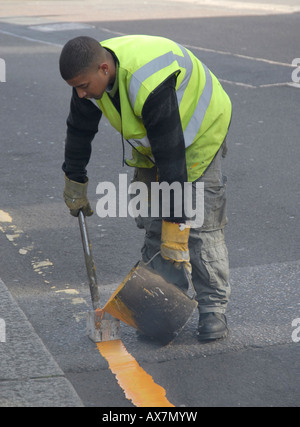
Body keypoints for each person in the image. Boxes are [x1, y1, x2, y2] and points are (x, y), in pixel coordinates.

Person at [59, 35, 232, 342]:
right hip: (158, 142)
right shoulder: (89, 77)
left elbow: (172, 155)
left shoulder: (148, 83)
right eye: (76, 87)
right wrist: (75, 181)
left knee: (200, 229)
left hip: (200, 134)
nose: (80, 94)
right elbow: (80, 130)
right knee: (155, 227)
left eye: (83, 86)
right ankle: (166, 304)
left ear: (103, 69)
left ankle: (213, 310)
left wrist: (177, 224)